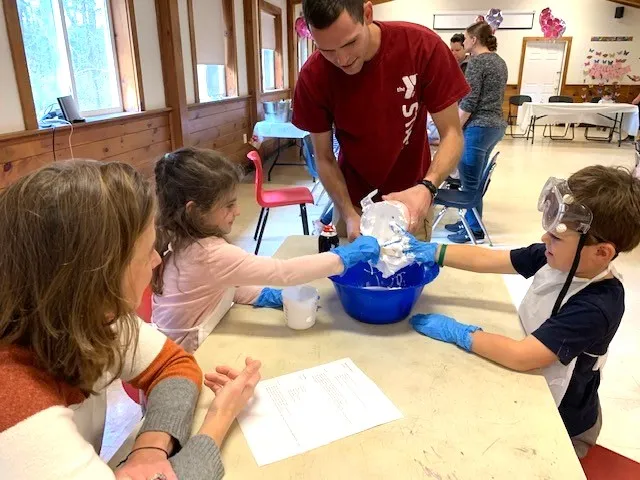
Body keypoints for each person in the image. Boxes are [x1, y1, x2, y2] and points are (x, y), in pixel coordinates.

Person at [0, 160, 262, 480]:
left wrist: (149, 449)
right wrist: (219, 419)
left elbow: (174, 366)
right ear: (95, 275)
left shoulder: (95, 318)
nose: (156, 261)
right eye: (145, 253)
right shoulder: (15, 407)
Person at [404, 165, 640, 458]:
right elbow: (492, 259)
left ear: (601, 252)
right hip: (536, 382)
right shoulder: (557, 257)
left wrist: (458, 332)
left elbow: (522, 356)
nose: (544, 240)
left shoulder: (597, 305)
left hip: (565, 421)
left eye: (555, 237)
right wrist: (433, 252)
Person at [152, 148, 380, 353]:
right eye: (229, 205)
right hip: (184, 361)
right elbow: (284, 272)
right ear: (195, 211)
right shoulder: (208, 254)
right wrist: (343, 257)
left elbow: (222, 286)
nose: (238, 211)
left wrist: (263, 295)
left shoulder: (182, 238)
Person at [293, 0, 470, 242]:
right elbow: (323, 157)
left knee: (407, 272)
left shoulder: (420, 47)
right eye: (327, 50)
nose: (342, 59)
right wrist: (347, 212)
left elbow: (452, 133)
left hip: (413, 196)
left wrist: (428, 187)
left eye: (350, 42)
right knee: (352, 274)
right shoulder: (314, 75)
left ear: (367, 13)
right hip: (350, 201)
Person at [445, 21, 508, 244]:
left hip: (479, 127)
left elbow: (470, 101)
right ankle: (469, 221)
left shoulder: (477, 62)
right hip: (495, 125)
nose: (464, 42)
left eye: (465, 38)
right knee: (475, 179)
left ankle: (474, 230)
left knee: (469, 182)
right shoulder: (499, 61)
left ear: (473, 40)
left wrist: (453, 129)